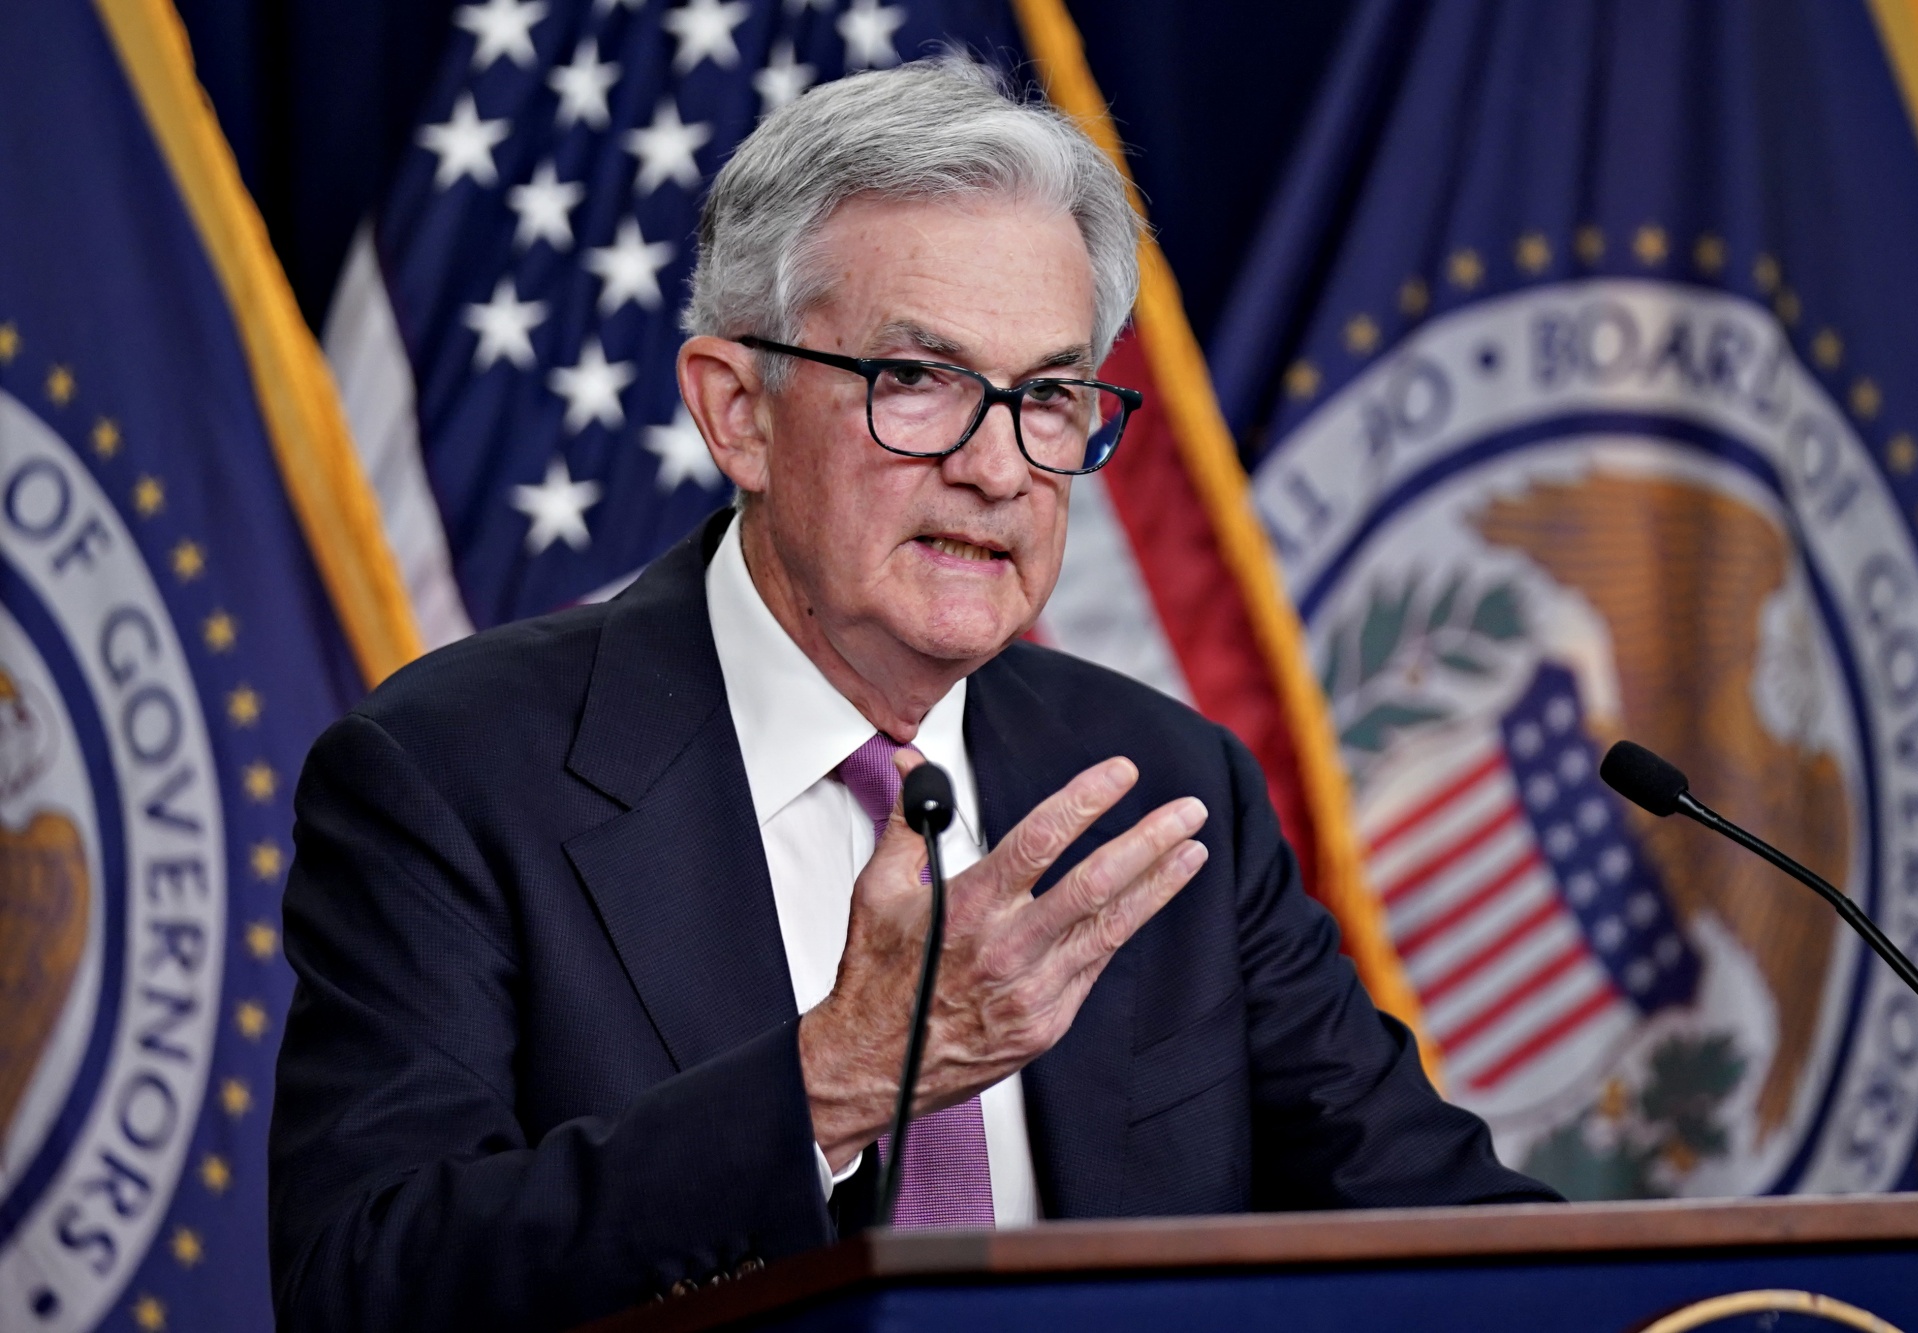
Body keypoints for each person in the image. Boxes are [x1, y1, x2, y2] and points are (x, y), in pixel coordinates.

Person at [268, 55, 1556, 1333]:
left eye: (1049, 396)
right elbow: (366, 1286)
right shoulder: (452, 773)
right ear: (738, 416)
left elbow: (1437, 1228)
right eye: (918, 381)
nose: (999, 467)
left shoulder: (1160, 783)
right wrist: (835, 1080)